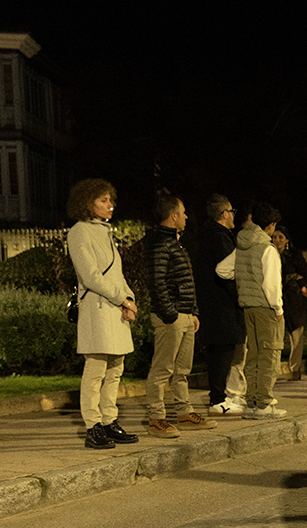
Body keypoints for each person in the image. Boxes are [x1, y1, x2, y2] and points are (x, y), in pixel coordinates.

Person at [66, 179, 139, 450]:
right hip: (97, 308)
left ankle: (109, 421)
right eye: (104, 201)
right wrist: (122, 298)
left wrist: (130, 299)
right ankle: (92, 426)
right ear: (88, 203)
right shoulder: (79, 231)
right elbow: (91, 276)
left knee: (115, 369)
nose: (111, 206)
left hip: (114, 307)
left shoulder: (105, 231)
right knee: (96, 369)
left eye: (111, 200)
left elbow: (117, 274)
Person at [143, 194, 217, 438]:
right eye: (183, 212)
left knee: (182, 369)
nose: (186, 217)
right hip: (171, 317)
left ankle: (184, 413)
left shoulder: (175, 243)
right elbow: (157, 282)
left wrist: (192, 311)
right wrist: (171, 313)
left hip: (184, 315)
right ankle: (156, 418)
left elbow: (186, 282)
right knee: (162, 369)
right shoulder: (160, 244)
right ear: (173, 215)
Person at [228, 202, 287, 419]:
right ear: (270, 226)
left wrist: (244, 282)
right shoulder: (267, 248)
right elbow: (272, 284)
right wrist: (278, 309)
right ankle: (264, 403)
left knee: (253, 355)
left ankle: (251, 402)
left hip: (247, 307)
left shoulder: (242, 244)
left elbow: (223, 269)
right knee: (269, 355)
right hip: (265, 308)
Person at [194, 194, 247, 416]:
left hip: (210, 303)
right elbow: (229, 270)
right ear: (224, 214)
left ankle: (219, 396)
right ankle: (218, 399)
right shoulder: (220, 238)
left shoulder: (204, 235)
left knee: (219, 351)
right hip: (222, 305)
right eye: (232, 212)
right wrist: (239, 296)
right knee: (222, 351)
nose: (234, 216)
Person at [270, 226, 307, 380]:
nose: (277, 240)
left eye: (281, 237)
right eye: (275, 237)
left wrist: (294, 282)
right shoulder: (269, 253)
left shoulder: (294, 255)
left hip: (294, 301)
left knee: (296, 338)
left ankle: (295, 369)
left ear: (287, 239)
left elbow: (306, 274)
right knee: (275, 338)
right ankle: (273, 371)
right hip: (275, 300)